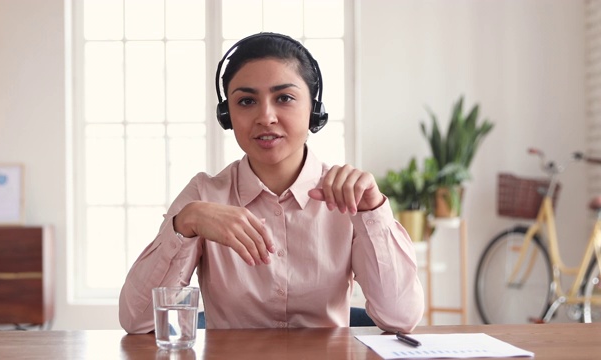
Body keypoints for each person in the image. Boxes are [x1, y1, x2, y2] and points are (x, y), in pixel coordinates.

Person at [119, 32, 424, 333]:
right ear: (227, 115)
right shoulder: (205, 194)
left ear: (314, 110)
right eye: (247, 101)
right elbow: (136, 319)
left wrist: (372, 213)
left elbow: (401, 318)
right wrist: (185, 222)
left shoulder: (348, 196)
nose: (266, 116)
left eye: (284, 98)